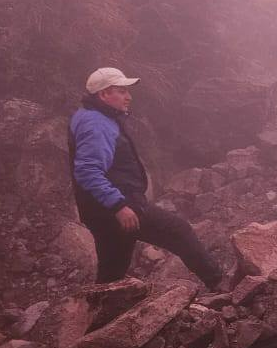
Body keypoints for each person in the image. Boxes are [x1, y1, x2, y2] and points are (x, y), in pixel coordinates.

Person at [69, 66, 223, 288]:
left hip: (101, 211)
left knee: (112, 272)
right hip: (117, 209)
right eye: (121, 91)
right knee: (178, 230)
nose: (128, 97)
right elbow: (87, 171)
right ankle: (219, 283)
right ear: (104, 94)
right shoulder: (95, 124)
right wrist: (119, 206)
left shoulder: (94, 116)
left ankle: (99, 317)